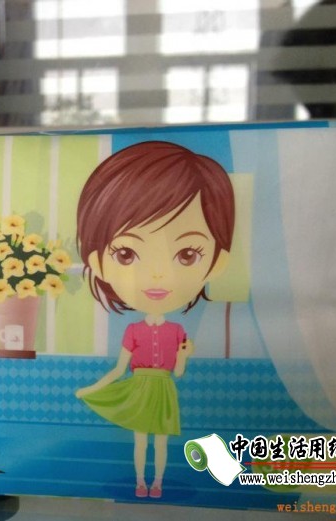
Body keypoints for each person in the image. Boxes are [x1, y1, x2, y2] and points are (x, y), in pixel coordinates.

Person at [74, 141, 235, 498]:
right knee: (140, 441)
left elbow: (178, 372)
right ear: (98, 262)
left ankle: (157, 482)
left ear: (217, 262)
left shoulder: (177, 331)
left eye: (188, 254)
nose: (158, 275)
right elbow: (119, 370)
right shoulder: (133, 330)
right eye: (126, 253)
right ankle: (139, 482)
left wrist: (185, 354)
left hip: (163, 390)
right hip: (139, 389)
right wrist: (91, 390)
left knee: (159, 442)